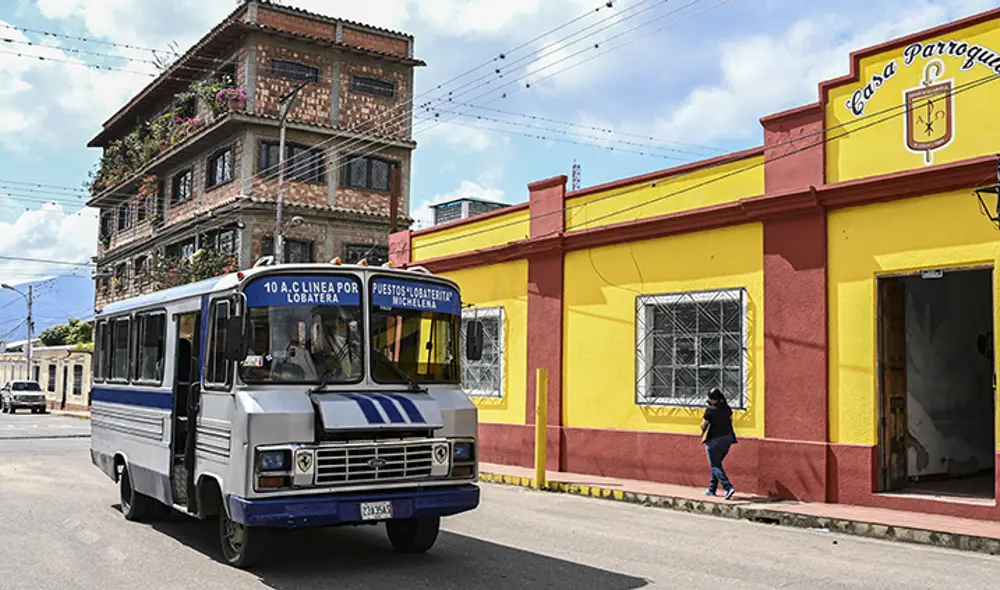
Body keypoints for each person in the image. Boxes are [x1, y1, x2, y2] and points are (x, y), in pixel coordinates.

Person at [701, 387, 737, 500]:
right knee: (716, 464)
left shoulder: (710, 410)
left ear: (712, 399)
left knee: (715, 465)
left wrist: (703, 430)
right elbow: (731, 419)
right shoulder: (727, 408)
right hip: (728, 439)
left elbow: (703, 425)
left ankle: (728, 487)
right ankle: (712, 489)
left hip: (714, 440)